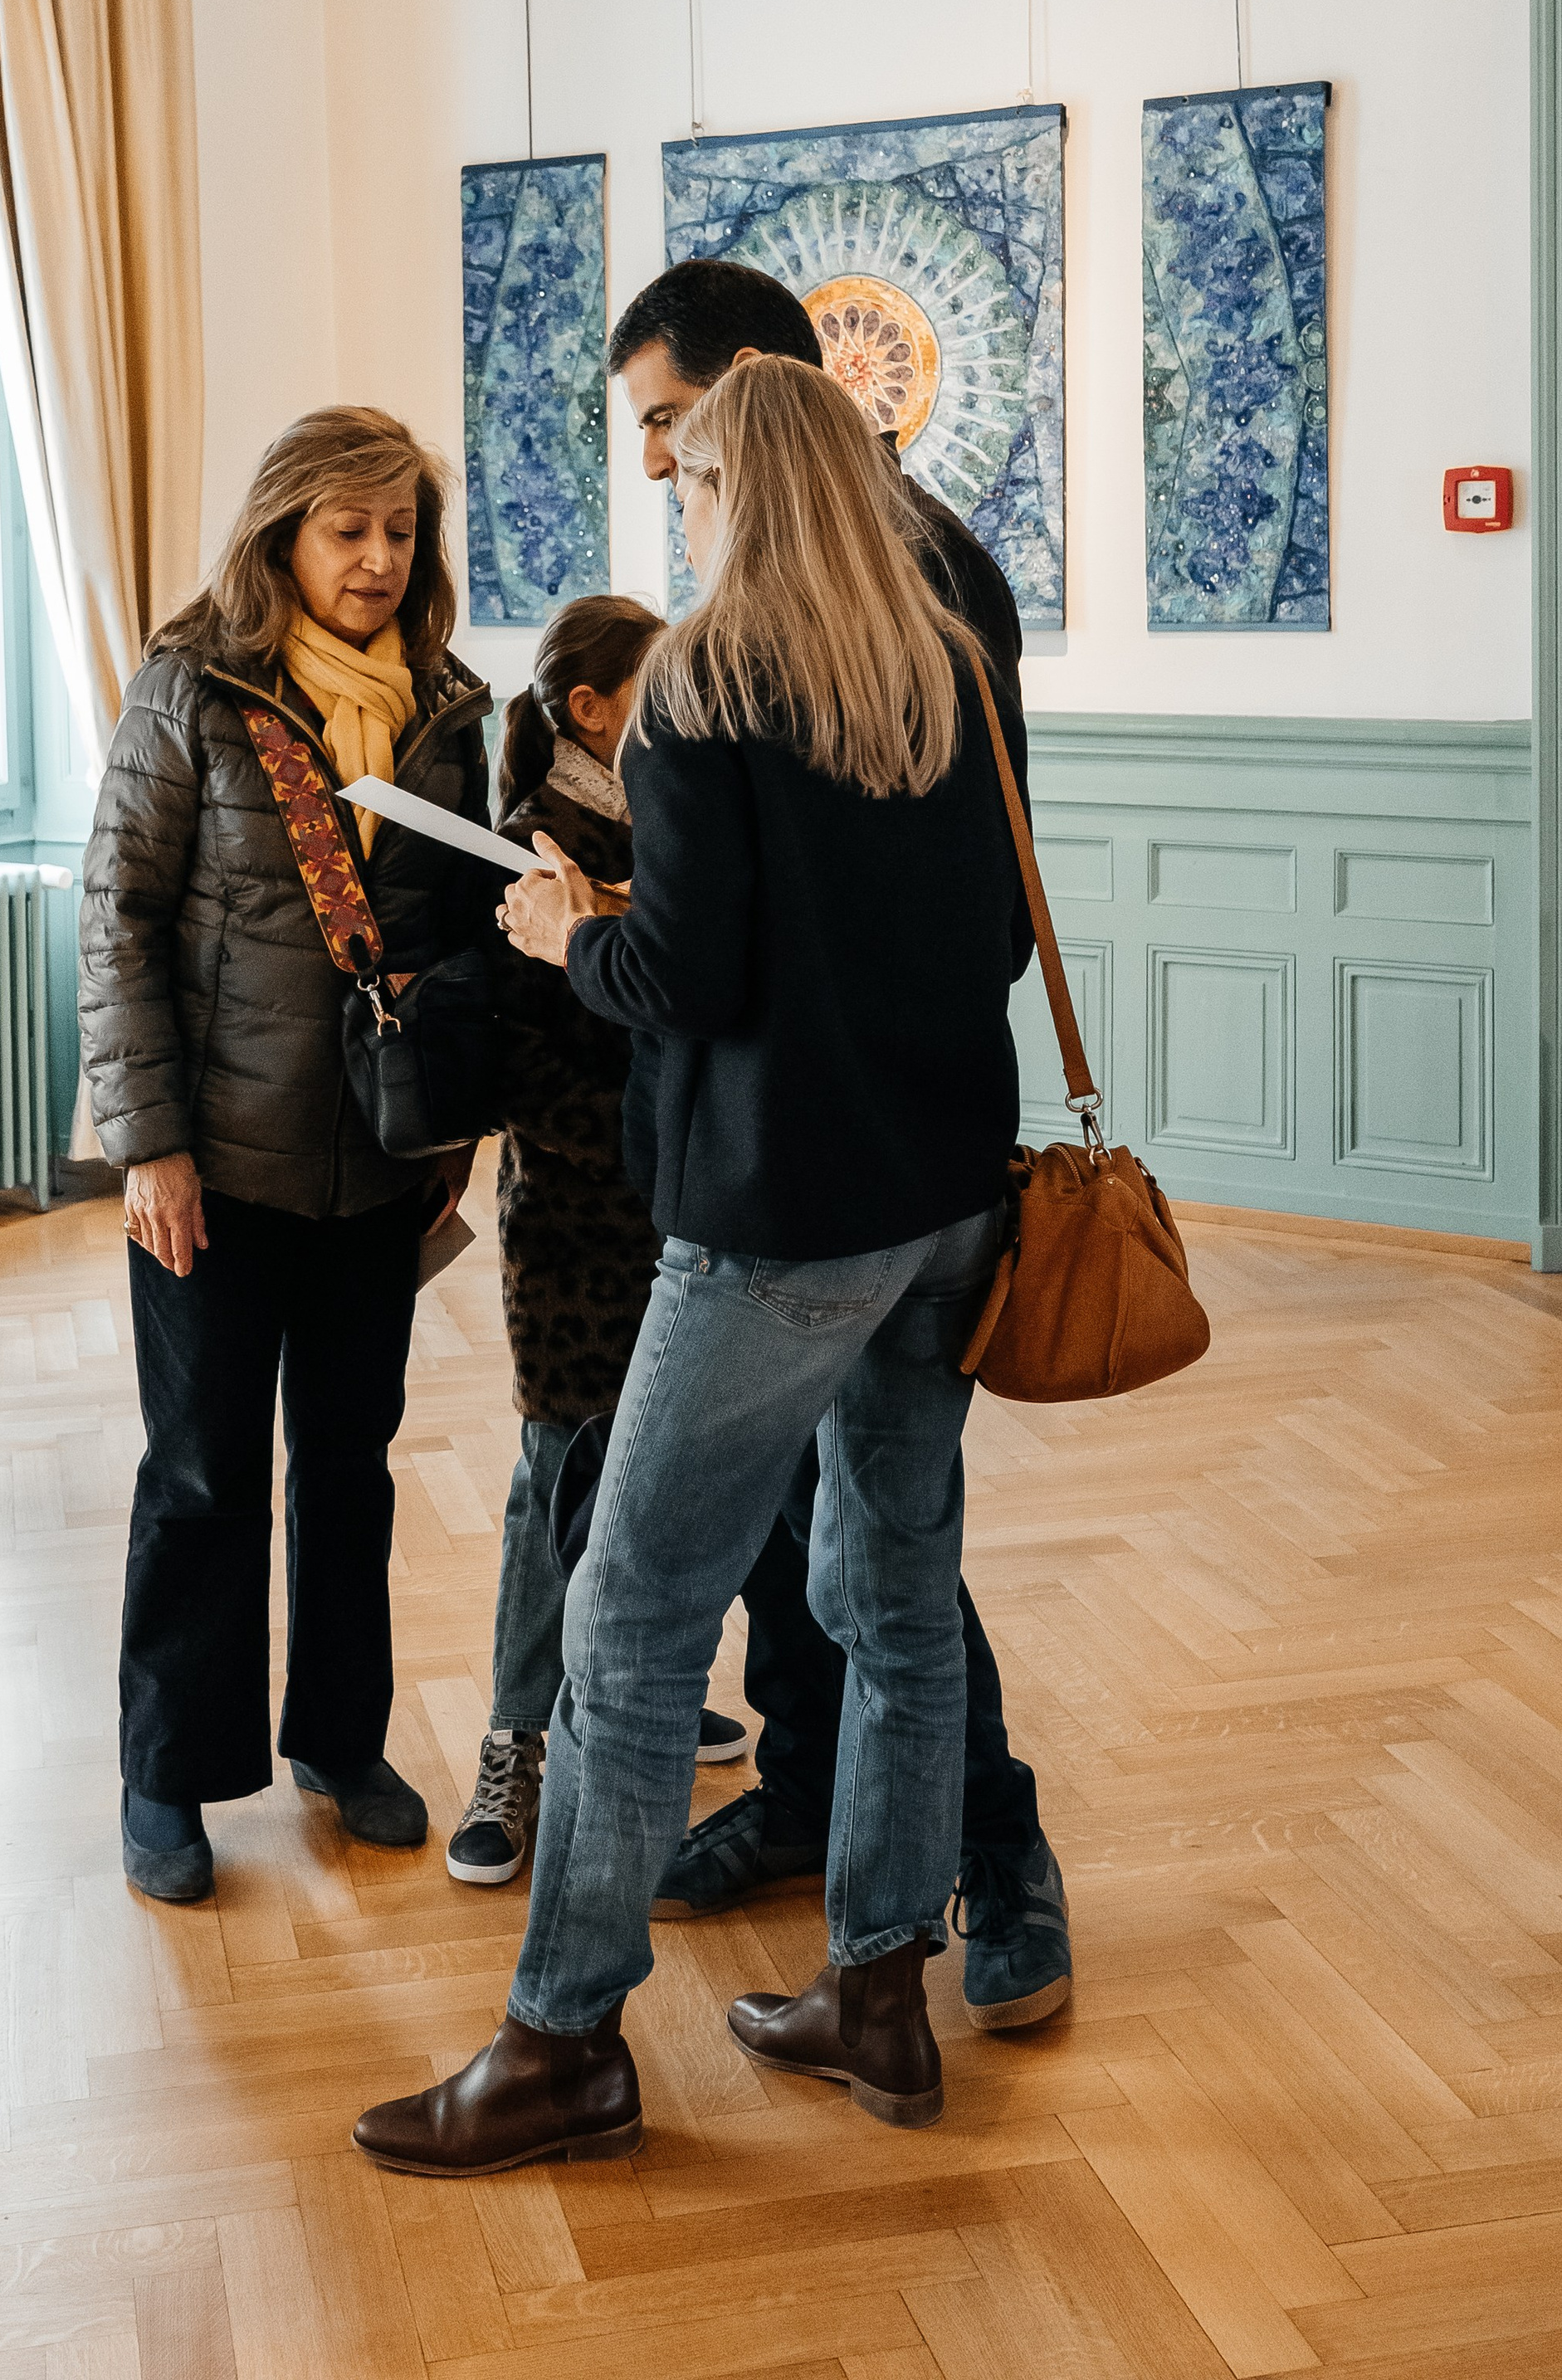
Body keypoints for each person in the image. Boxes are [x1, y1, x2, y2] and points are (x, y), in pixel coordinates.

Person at [355, 356, 1037, 2173]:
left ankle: (562, 2039)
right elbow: (978, 940)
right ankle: (879, 1991)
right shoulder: (942, 670)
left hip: (779, 1218)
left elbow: (685, 980)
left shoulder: (705, 687)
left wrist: (565, 928)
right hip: (945, 1197)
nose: (677, 507)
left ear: (736, 490)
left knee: (632, 1616)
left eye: (689, 479)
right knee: (898, 1599)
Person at [607, 257, 1070, 2033]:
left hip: (836, 1161)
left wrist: (648, 941)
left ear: (754, 393)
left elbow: (958, 897)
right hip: (844, 1148)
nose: (661, 467)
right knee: (836, 1537)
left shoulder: (925, 578)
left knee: (878, 1567)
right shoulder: (770, 597)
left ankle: (996, 1858)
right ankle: (819, 1820)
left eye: (673, 425)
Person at [78, 407, 495, 1908]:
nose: (378, 559)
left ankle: (341, 1737)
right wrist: (151, 1146)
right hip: (213, 1168)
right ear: (283, 534)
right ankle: (168, 1769)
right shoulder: (193, 688)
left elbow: (460, 939)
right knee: (201, 1473)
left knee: (350, 1463)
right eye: (348, 529)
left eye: (401, 531)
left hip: (376, 1166)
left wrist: (452, 1125)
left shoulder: (449, 706)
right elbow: (118, 917)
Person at [447, 594, 750, 1893]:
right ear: (589, 708)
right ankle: (515, 1741)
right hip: (577, 1227)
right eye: (658, 677)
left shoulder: (669, 815)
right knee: (554, 1477)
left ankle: (645, 1695)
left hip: (683, 1206)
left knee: (668, 1471)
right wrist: (657, 1132)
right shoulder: (535, 845)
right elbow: (529, 1069)